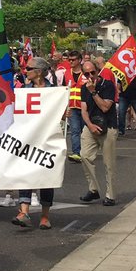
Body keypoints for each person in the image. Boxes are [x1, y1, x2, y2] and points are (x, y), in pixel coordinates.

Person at [11, 58, 55, 229]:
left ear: (39, 71)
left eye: (29, 68)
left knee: (46, 177)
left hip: (47, 139)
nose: (25, 71)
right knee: (25, 174)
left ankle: (45, 216)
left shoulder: (53, 90)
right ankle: (24, 212)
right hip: (28, 138)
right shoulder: (24, 90)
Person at [80, 58, 118, 205]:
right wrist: (89, 125)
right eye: (87, 74)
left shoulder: (107, 85)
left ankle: (111, 195)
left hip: (108, 126)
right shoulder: (84, 87)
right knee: (85, 156)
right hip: (91, 125)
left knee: (109, 163)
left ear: (98, 71)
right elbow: (83, 109)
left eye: (93, 72)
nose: (90, 76)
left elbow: (105, 107)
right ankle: (93, 189)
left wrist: (93, 92)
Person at [65, 51, 85, 161]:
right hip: (72, 107)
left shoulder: (86, 72)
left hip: (84, 107)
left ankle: (85, 151)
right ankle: (76, 152)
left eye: (73, 60)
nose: (71, 62)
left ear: (79, 60)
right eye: (69, 60)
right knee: (75, 130)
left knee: (85, 131)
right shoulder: (67, 73)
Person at [117, 67, 136, 137]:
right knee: (121, 113)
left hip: (135, 96)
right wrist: (118, 90)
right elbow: (119, 82)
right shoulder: (123, 72)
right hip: (123, 96)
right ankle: (121, 130)